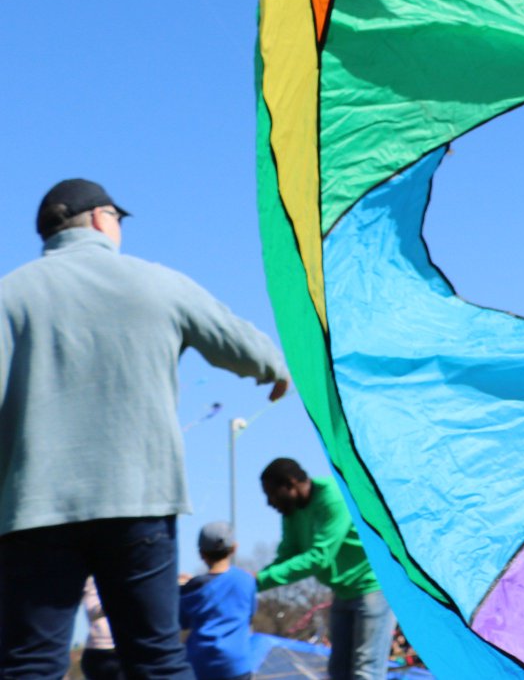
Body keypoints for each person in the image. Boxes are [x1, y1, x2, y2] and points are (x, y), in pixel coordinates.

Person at [0, 179, 290, 680]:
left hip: (36, 506)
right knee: (155, 659)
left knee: (29, 663)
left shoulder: (11, 293)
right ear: (99, 218)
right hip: (139, 500)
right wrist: (274, 370)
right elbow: (245, 346)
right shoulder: (157, 283)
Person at [255, 460, 389, 680]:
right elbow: (287, 554)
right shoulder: (291, 512)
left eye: (272, 493)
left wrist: (259, 580)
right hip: (342, 591)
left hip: (371, 586)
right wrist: (253, 580)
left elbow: (320, 557)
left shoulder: (333, 497)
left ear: (291, 484)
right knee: (338, 671)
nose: (269, 502)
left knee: (366, 669)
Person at [179, 523, 256, 680]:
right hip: (237, 664)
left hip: (201, 663)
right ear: (234, 548)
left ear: (201, 553)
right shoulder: (247, 580)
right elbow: (249, 614)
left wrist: (180, 589)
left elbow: (181, 621)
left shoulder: (194, 587)